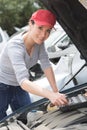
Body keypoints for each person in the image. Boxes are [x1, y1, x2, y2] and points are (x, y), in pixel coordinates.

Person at [0, 9, 68, 121]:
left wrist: (56, 92)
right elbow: (23, 81)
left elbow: (46, 65)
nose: (43, 35)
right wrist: (50, 95)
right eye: (40, 28)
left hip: (18, 85)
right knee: (2, 120)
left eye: (48, 31)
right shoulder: (15, 46)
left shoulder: (39, 44)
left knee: (25, 116)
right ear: (31, 24)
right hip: (2, 84)